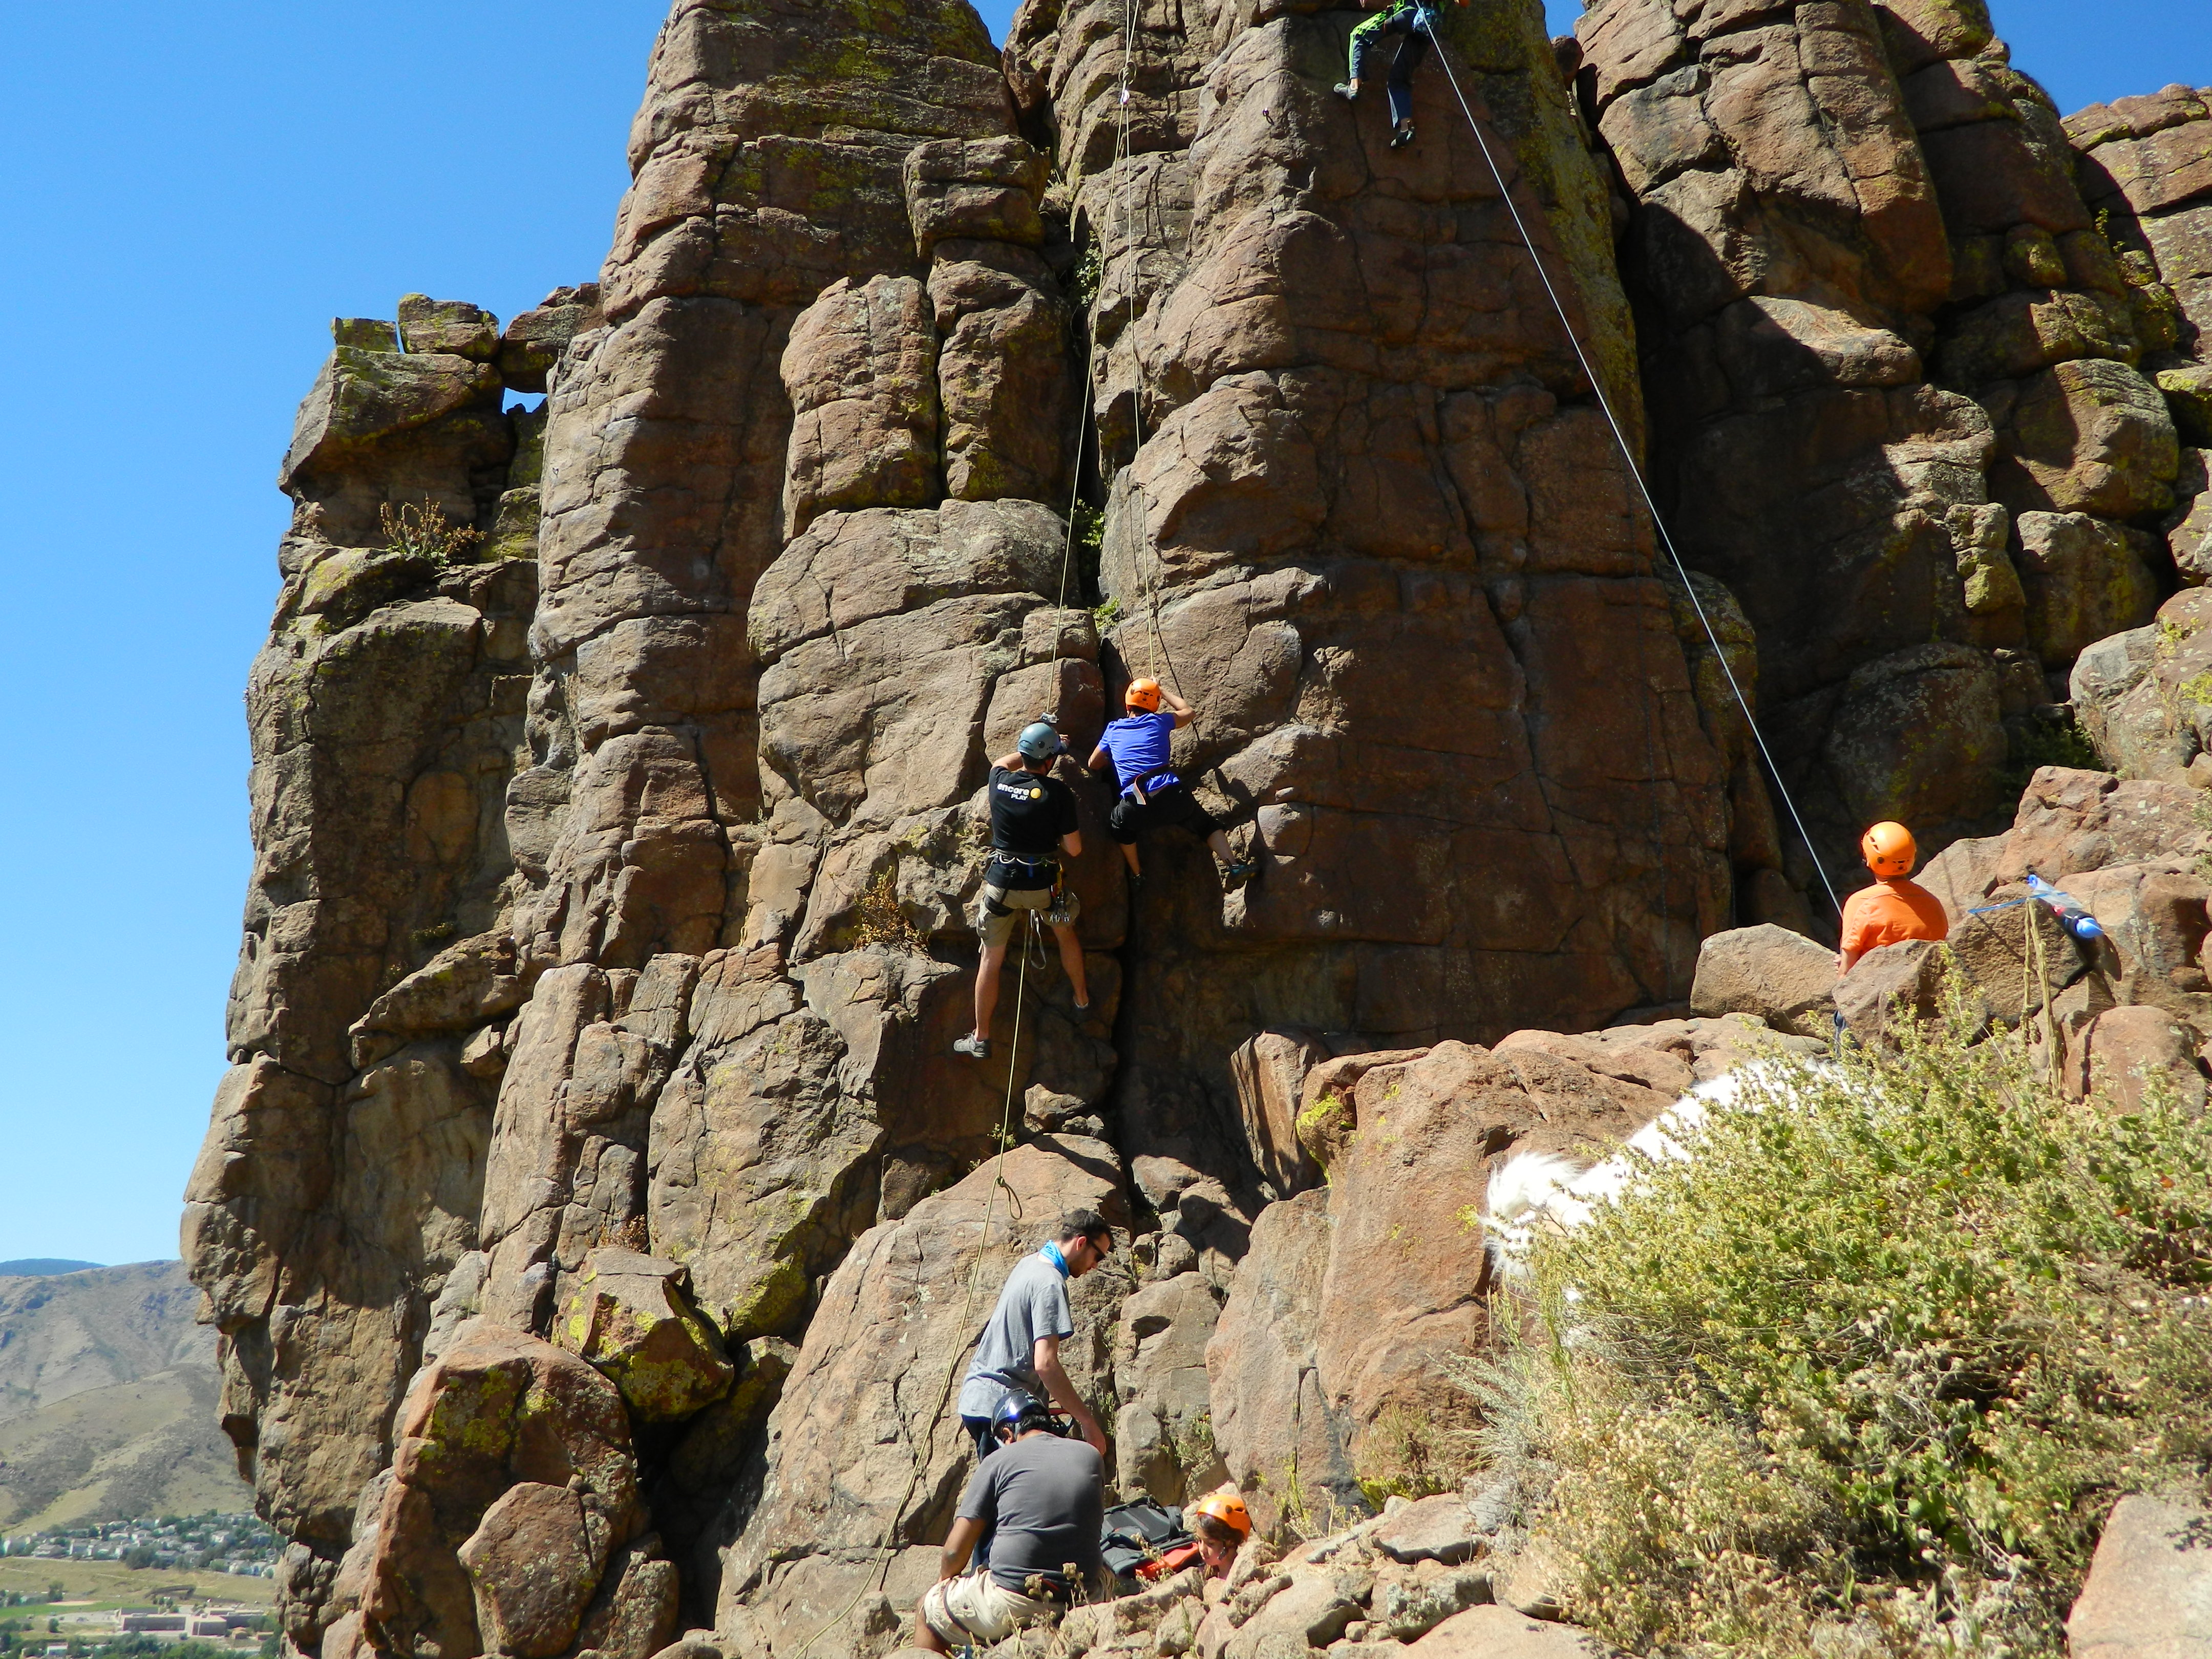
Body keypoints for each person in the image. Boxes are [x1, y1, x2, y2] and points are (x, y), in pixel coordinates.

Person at [956, 1213, 1115, 1567]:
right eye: (1098, 1256)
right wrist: (1086, 1421)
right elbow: (1045, 1363)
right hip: (1001, 1407)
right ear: (1081, 1243)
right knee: (1002, 1506)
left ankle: (994, 1582)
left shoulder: (1031, 1264)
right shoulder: (1049, 1283)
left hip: (986, 1400)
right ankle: (990, 1586)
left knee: (1003, 1500)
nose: (1095, 1266)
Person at [914, 1391, 1106, 1654]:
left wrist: (943, 1582)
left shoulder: (997, 1461)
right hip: (1085, 1597)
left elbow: (953, 1552)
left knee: (927, 1610)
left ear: (1007, 1433)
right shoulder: (1090, 1455)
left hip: (1013, 1598)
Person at [954, 721, 1091, 1063]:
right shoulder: (1058, 794)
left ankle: (981, 1037)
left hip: (1003, 886)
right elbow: (1074, 850)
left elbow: (1002, 761)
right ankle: (1082, 1000)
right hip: (1044, 888)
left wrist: (1040, 745)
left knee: (991, 958)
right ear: (1049, 761)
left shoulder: (999, 782)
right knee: (1066, 936)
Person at [1087, 679, 1258, 889]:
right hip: (1173, 797)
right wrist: (1162, 689)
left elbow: (1093, 763)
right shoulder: (1159, 721)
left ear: (1127, 703)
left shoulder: (1113, 729)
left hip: (1136, 804)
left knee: (1119, 825)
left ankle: (1137, 874)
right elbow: (1188, 712)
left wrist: (1113, 756)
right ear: (1155, 703)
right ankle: (1233, 866)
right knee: (1206, 825)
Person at [1333, 0, 1469, 151]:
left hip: (1409, 13)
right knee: (1399, 79)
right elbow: (1464, 2)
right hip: (1431, 24)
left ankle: (1354, 87)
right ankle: (1406, 129)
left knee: (1359, 35)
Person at [1837, 821, 1949, 975]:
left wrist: (1843, 966)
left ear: (1869, 858)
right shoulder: (1933, 903)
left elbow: (1846, 971)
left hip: (1878, 988)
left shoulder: (1860, 902)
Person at [1187, 1489, 1253, 1579]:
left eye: (1210, 1544)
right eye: (1199, 1541)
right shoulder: (1207, 1574)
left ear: (1231, 1541)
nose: (1202, 1549)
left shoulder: (1244, 1577)